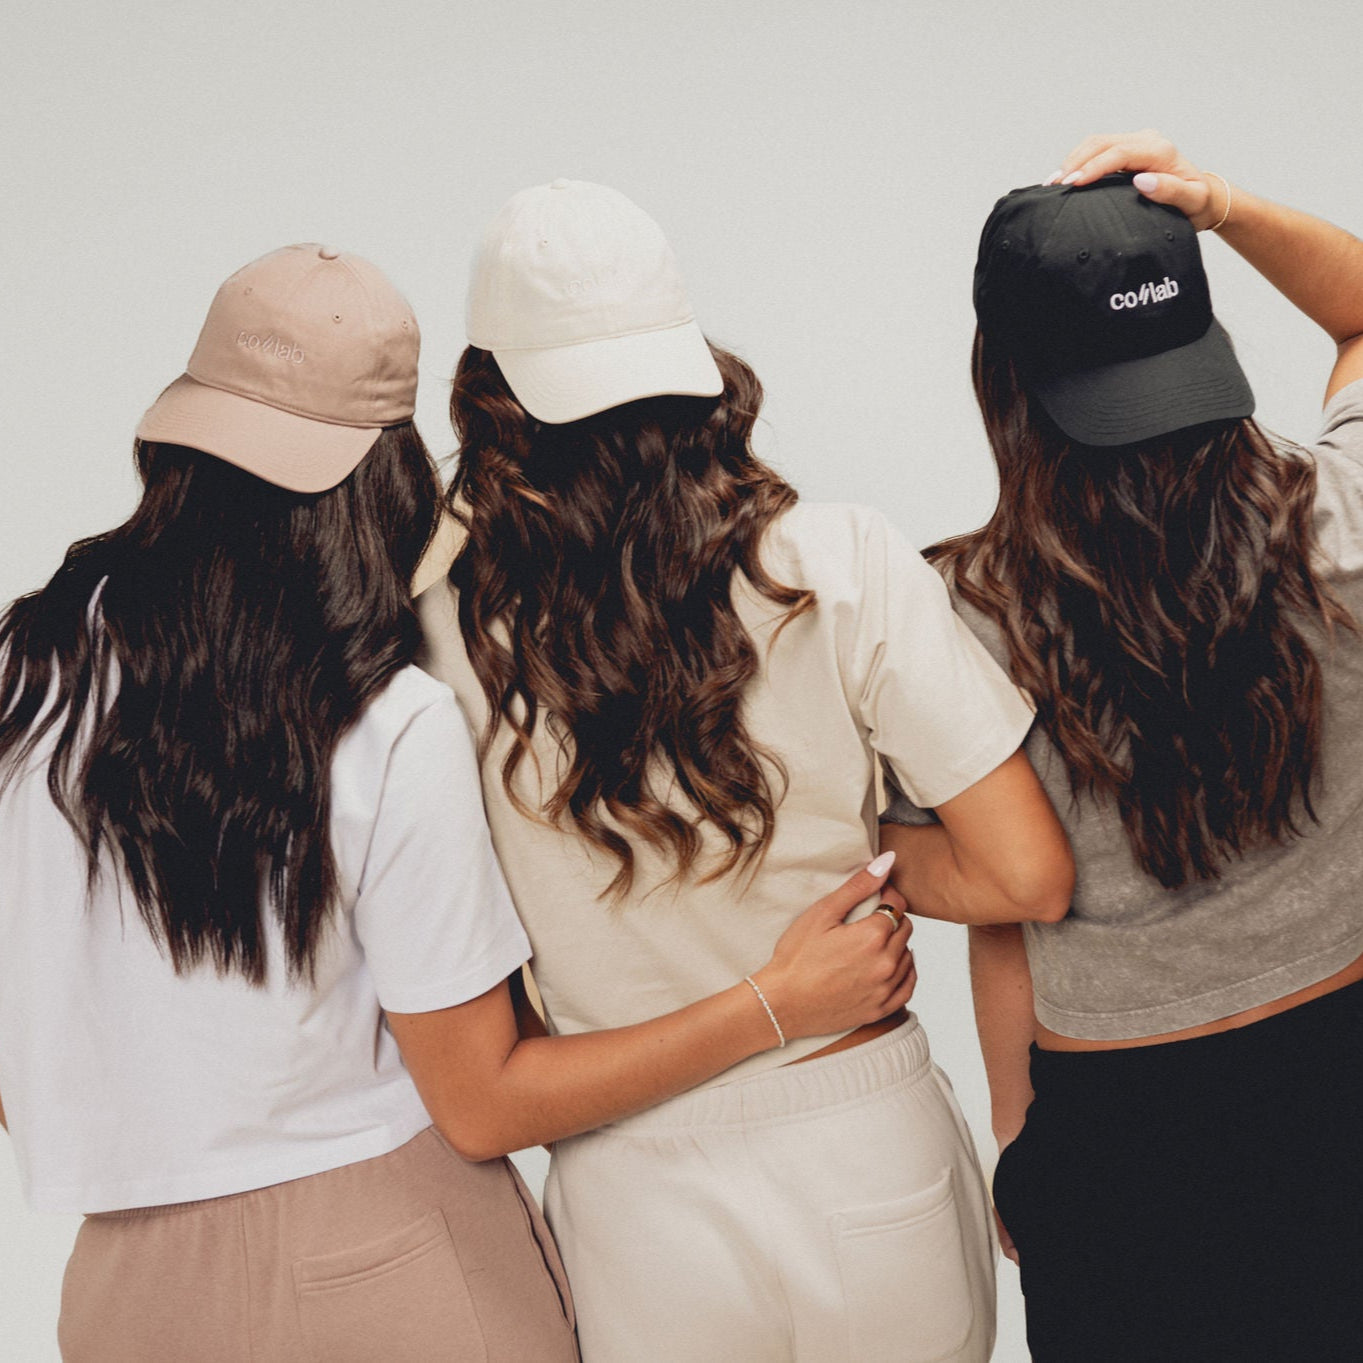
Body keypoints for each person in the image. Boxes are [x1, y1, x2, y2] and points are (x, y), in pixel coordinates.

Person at [0, 243, 921, 1362]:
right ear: (383, 470)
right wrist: (772, 1001)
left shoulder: (26, 675)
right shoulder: (381, 711)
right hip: (388, 1258)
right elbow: (483, 1101)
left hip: (125, 1290)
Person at [416, 177, 1075, 1363]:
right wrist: (856, 871)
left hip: (635, 1194)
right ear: (693, 369)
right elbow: (1028, 874)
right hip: (864, 1145)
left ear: (490, 401)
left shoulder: (426, 635)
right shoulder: (836, 561)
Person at [885, 131, 1363, 1362]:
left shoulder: (949, 620)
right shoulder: (1338, 520)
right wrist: (1220, 208)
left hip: (1128, 1143)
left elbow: (1005, 905)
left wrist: (1016, 1131)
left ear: (1003, 379)